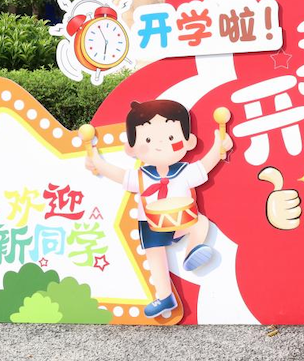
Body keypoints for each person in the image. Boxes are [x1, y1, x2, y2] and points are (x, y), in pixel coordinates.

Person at [85, 99, 232, 318]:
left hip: (181, 221)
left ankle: (193, 250)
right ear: (131, 148)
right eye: (148, 140)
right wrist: (96, 161)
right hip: (151, 222)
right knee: (155, 256)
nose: (160, 145)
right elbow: (119, 175)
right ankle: (164, 296)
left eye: (171, 138)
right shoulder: (141, 176)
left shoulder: (184, 171)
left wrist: (218, 146)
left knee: (200, 222)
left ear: (189, 141)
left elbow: (206, 165)